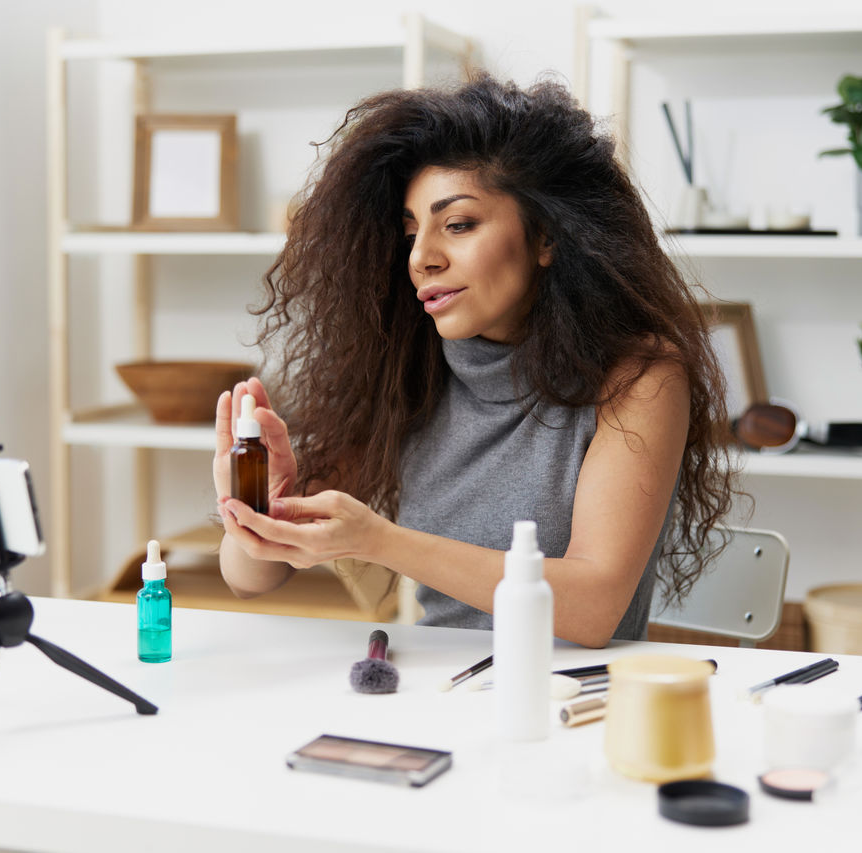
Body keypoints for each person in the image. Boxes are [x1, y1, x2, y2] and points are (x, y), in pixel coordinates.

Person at [211, 73, 737, 648]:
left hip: (573, 697)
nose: (422, 259)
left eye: (457, 225)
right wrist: (258, 508)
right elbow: (250, 580)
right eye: (411, 233)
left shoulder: (640, 377)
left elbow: (593, 607)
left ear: (547, 237)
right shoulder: (407, 367)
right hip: (442, 692)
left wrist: (379, 540)